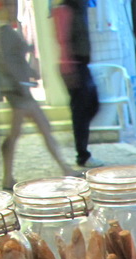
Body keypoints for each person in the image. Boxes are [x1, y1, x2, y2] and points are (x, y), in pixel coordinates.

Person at [0, 3, 78, 190]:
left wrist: (30, 71)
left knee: (39, 129)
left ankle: (64, 167)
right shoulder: (5, 32)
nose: (13, 9)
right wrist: (22, 80)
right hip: (19, 92)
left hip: (22, 90)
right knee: (17, 135)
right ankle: (8, 177)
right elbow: (8, 63)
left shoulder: (8, 31)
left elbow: (15, 60)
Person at [52, 0, 101, 168]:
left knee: (92, 105)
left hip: (82, 64)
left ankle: (81, 140)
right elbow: (63, 40)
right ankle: (82, 154)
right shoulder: (65, 9)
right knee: (80, 110)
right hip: (73, 65)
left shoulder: (82, 7)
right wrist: (69, 68)